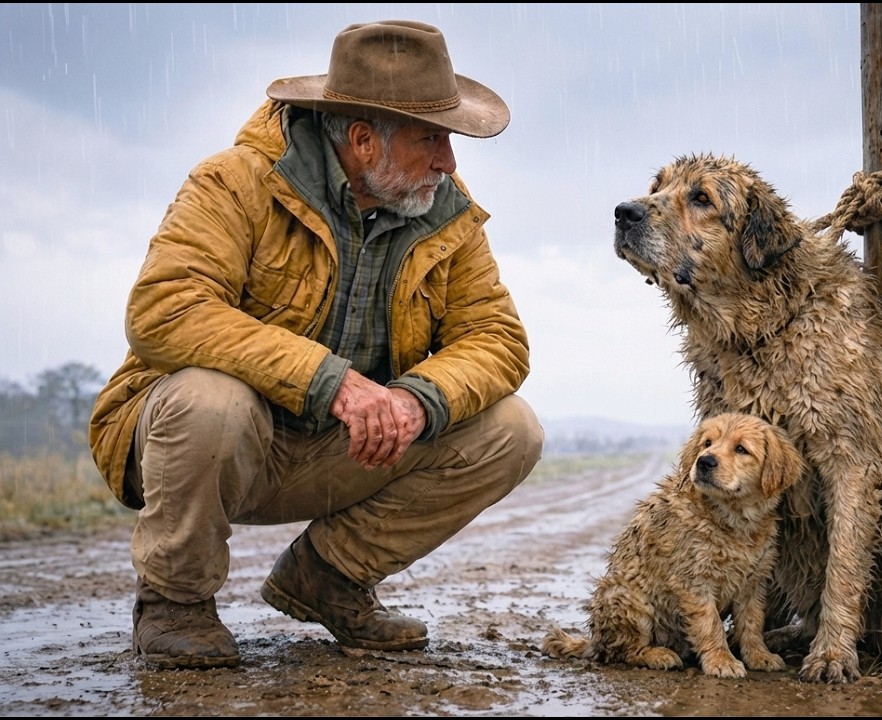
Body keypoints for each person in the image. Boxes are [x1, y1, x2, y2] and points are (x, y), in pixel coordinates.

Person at [87, 20, 544, 670]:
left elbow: (498, 340)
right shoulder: (233, 182)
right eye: (432, 138)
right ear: (362, 140)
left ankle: (328, 577)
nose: (449, 160)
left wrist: (417, 401)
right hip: (212, 444)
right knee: (211, 399)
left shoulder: (446, 209)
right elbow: (165, 311)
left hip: (337, 452)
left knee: (511, 429)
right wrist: (329, 380)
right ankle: (174, 605)